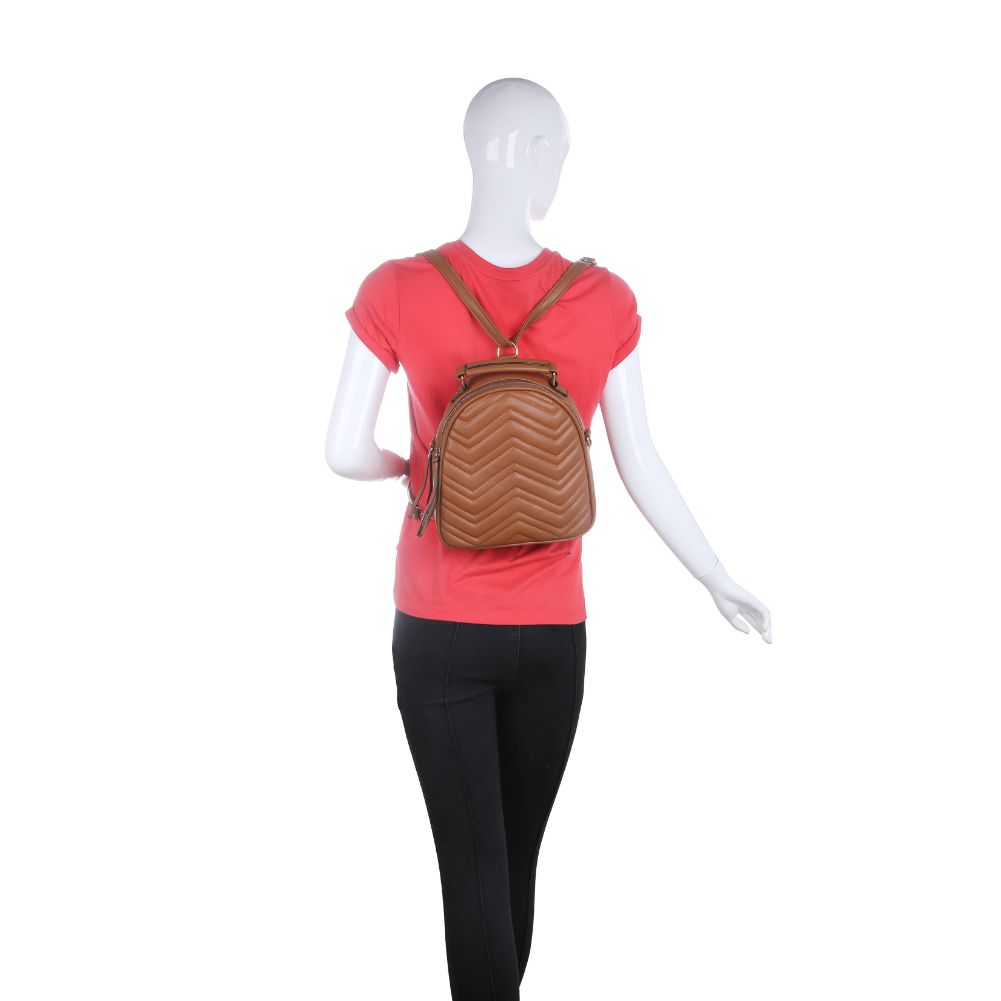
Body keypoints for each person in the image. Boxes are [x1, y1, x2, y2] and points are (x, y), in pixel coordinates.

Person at [326, 77, 771, 1001]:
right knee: (512, 866)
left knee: (476, 876)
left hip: (438, 624)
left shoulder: (396, 286)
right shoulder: (602, 297)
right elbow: (639, 462)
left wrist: (409, 468)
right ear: (530, 155)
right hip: (556, 633)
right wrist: (714, 573)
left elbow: (340, 450)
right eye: (557, 152)